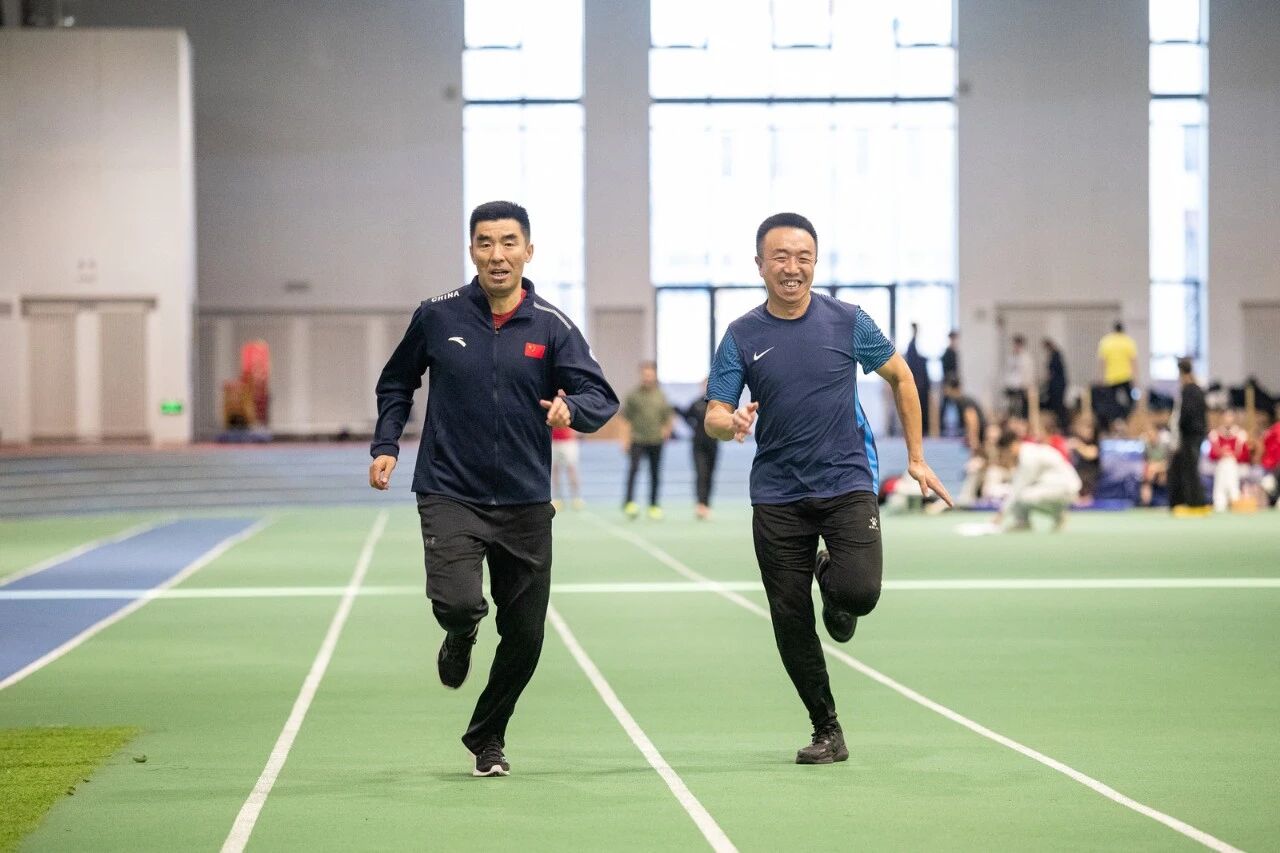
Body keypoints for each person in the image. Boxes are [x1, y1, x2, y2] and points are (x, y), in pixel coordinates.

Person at [369, 201, 618, 777]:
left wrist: (572, 409)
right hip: (449, 490)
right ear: (472, 250)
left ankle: (488, 736)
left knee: (526, 636)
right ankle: (461, 632)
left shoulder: (553, 325)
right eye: (485, 243)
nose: (497, 255)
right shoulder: (437, 315)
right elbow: (397, 380)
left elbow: (601, 397)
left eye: (509, 243)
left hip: (526, 500)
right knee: (458, 602)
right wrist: (386, 443)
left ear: (528, 251)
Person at [704, 212, 952, 766]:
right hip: (777, 496)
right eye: (780, 257)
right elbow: (715, 413)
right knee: (790, 616)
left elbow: (901, 376)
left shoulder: (848, 321)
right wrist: (731, 422)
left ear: (815, 262)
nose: (792, 268)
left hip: (846, 481)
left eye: (803, 257)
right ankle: (826, 728)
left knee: (859, 594)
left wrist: (916, 457)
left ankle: (830, 577)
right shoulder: (742, 334)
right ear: (760, 265)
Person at [992, 429, 1082, 531]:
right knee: (1020, 495)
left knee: (1022, 496)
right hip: (1058, 486)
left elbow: (1017, 489)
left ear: (1013, 445)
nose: (1007, 455)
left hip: (1065, 488)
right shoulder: (1027, 451)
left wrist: (1000, 515)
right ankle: (1023, 522)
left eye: (1006, 452)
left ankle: (1058, 515)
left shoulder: (1028, 457)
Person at [620, 361, 674, 519]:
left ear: (654, 375)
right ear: (641, 375)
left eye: (650, 375)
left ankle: (654, 505)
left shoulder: (661, 396)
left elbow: (668, 417)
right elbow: (624, 419)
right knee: (633, 471)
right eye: (645, 375)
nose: (647, 377)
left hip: (656, 440)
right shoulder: (633, 396)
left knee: (655, 473)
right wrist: (624, 439)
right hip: (637, 439)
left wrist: (666, 430)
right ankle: (629, 503)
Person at [1167, 357, 1208, 514]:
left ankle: (1195, 502)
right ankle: (1188, 501)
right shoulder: (1198, 390)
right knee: (1187, 469)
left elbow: (1185, 416)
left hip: (1190, 437)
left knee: (1190, 470)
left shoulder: (1189, 391)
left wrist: (1179, 435)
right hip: (1195, 435)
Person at [677, 379, 720, 519]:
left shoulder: (718, 405)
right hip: (698, 445)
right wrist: (676, 410)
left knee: (710, 474)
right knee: (701, 473)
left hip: (713, 444)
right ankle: (700, 504)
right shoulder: (696, 403)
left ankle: (707, 504)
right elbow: (686, 416)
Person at [1207, 409, 1250, 512]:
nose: (1228, 419)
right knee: (1220, 481)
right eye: (1226, 416)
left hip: (1236, 466)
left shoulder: (1240, 434)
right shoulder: (1215, 434)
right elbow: (1211, 454)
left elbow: (1245, 455)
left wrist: (1231, 455)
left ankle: (1235, 501)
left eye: (1230, 416)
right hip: (1219, 465)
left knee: (1231, 474)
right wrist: (1222, 453)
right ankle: (1219, 503)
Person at [1097, 322, 1138, 421]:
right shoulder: (1128, 341)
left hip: (1111, 377)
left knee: (1111, 402)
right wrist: (1135, 377)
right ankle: (1126, 419)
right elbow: (1133, 361)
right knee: (1131, 402)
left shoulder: (1106, 341)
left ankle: (1115, 420)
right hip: (1126, 376)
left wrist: (1101, 377)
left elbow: (1102, 361)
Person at [904, 323, 932, 435]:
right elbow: (912, 364)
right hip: (918, 383)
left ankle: (923, 430)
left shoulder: (914, 344)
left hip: (921, 383)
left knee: (923, 407)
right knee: (919, 407)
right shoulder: (911, 345)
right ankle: (920, 430)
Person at [550, 425, 584, 510]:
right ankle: (557, 498)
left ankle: (576, 497)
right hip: (553, 441)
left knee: (572, 470)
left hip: (568, 441)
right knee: (555, 471)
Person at [1003, 335, 1034, 418]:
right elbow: (1008, 370)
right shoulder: (1011, 357)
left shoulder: (1026, 358)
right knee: (1012, 405)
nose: (1015, 347)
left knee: (1022, 406)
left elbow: (1029, 373)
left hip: (1022, 385)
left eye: (1017, 345)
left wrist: (1027, 385)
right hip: (1012, 385)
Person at [1041, 338, 1069, 432]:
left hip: (1057, 386)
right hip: (1057, 385)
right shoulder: (1056, 355)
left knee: (1058, 406)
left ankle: (1062, 425)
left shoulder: (1055, 356)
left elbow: (1052, 372)